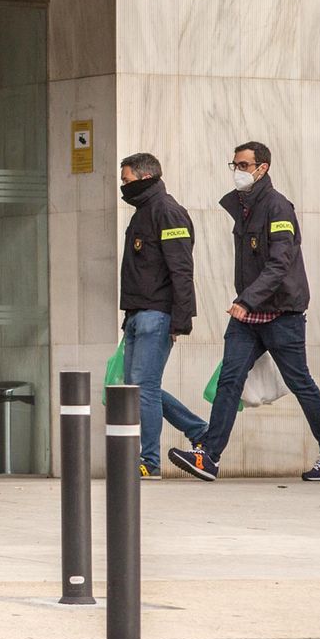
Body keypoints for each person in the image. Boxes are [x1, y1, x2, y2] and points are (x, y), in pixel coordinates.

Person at [169, 142, 320, 482]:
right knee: (230, 380)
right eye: (234, 164)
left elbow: (281, 262)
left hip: (281, 311)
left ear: (262, 168)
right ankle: (209, 456)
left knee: (300, 382)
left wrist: (247, 300)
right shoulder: (245, 206)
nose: (237, 170)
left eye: (243, 164)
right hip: (249, 315)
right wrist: (247, 302)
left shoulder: (278, 207)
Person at [117, 152, 207, 478]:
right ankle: (201, 432)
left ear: (145, 177)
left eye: (126, 180)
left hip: (157, 315)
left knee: (143, 388)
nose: (122, 186)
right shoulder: (144, 213)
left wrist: (181, 320)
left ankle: (149, 462)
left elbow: (181, 270)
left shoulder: (167, 212)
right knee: (138, 388)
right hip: (138, 314)